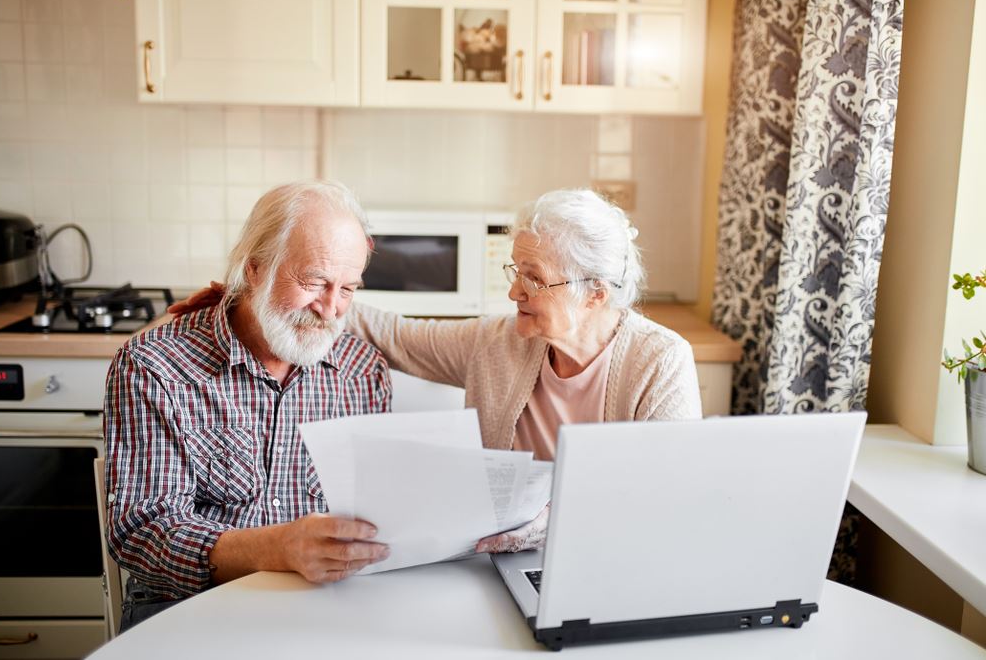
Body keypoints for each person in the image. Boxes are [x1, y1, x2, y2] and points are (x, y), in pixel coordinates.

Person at [173, 188, 702, 554]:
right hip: (496, 563)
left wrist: (551, 525)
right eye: (515, 272)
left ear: (595, 294)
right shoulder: (499, 343)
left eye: (534, 278)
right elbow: (398, 336)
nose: (514, 291)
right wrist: (268, 295)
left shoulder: (659, 362)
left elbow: (663, 506)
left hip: (603, 560)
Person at [104, 181, 393, 631]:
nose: (331, 309)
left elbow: (378, 512)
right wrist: (274, 549)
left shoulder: (363, 372)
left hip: (322, 608)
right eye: (314, 282)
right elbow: (142, 532)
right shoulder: (155, 366)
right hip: (187, 608)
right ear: (254, 270)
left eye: (349, 288)